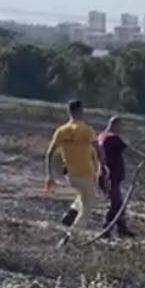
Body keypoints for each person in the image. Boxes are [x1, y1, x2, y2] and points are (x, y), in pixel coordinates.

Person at [45, 100, 101, 246]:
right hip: (86, 174)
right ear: (80, 111)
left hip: (70, 175)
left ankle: (71, 213)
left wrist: (49, 175)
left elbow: (50, 153)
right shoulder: (87, 130)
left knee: (83, 195)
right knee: (89, 204)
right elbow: (98, 150)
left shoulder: (61, 130)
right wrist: (103, 167)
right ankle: (70, 237)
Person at [96, 116, 139, 238]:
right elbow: (130, 152)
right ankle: (107, 229)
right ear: (115, 124)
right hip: (111, 175)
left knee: (118, 203)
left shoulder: (101, 136)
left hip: (105, 174)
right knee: (116, 204)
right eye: (121, 125)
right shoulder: (113, 138)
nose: (122, 128)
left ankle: (121, 228)